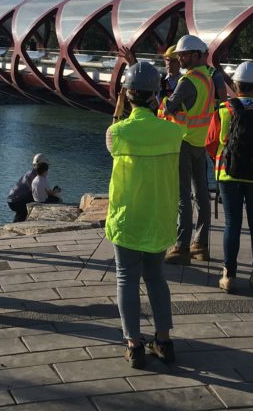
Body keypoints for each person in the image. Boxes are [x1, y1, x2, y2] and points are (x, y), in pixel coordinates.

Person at [105, 60, 185, 369]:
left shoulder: (117, 133)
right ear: (156, 95)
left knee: (126, 278)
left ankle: (134, 345)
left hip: (127, 218)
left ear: (126, 94)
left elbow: (112, 136)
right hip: (160, 216)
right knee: (156, 279)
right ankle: (164, 341)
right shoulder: (173, 133)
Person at [206, 61, 253, 294]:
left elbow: (210, 143)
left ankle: (229, 275)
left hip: (228, 175)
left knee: (232, 223)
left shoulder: (224, 110)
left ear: (237, 85)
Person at [161, 34, 216, 265]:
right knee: (202, 194)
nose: (180, 58)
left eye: (183, 54)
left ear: (196, 55)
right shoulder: (208, 78)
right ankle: (200, 245)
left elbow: (169, 107)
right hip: (200, 142)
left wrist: (163, 102)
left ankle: (181, 247)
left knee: (183, 195)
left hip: (183, 141)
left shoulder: (187, 81)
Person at [7, 153, 49, 222]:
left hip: (13, 200)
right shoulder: (33, 176)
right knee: (38, 200)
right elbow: (36, 192)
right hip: (15, 201)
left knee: (22, 212)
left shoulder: (32, 173)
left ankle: (17, 223)